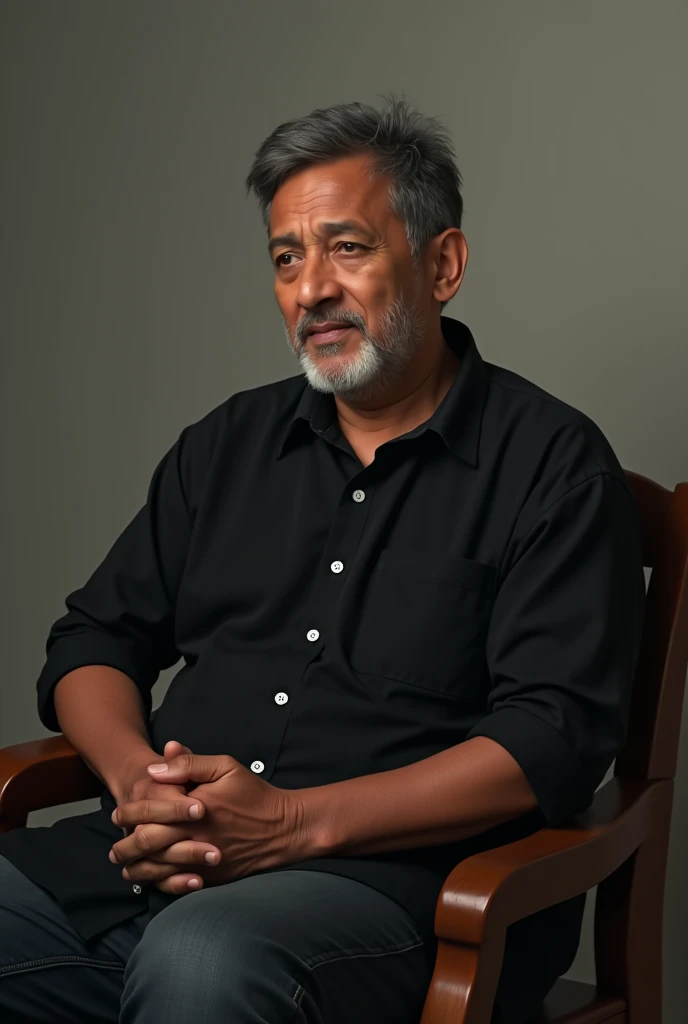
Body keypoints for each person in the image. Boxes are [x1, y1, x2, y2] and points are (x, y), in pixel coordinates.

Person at [0, 97, 645, 1024]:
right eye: (285, 258)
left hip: (400, 899)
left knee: (204, 961)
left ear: (443, 263)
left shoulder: (553, 466)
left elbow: (552, 736)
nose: (310, 291)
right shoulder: (224, 446)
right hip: (147, 866)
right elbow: (97, 635)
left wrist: (292, 824)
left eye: (347, 248)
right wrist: (145, 789)